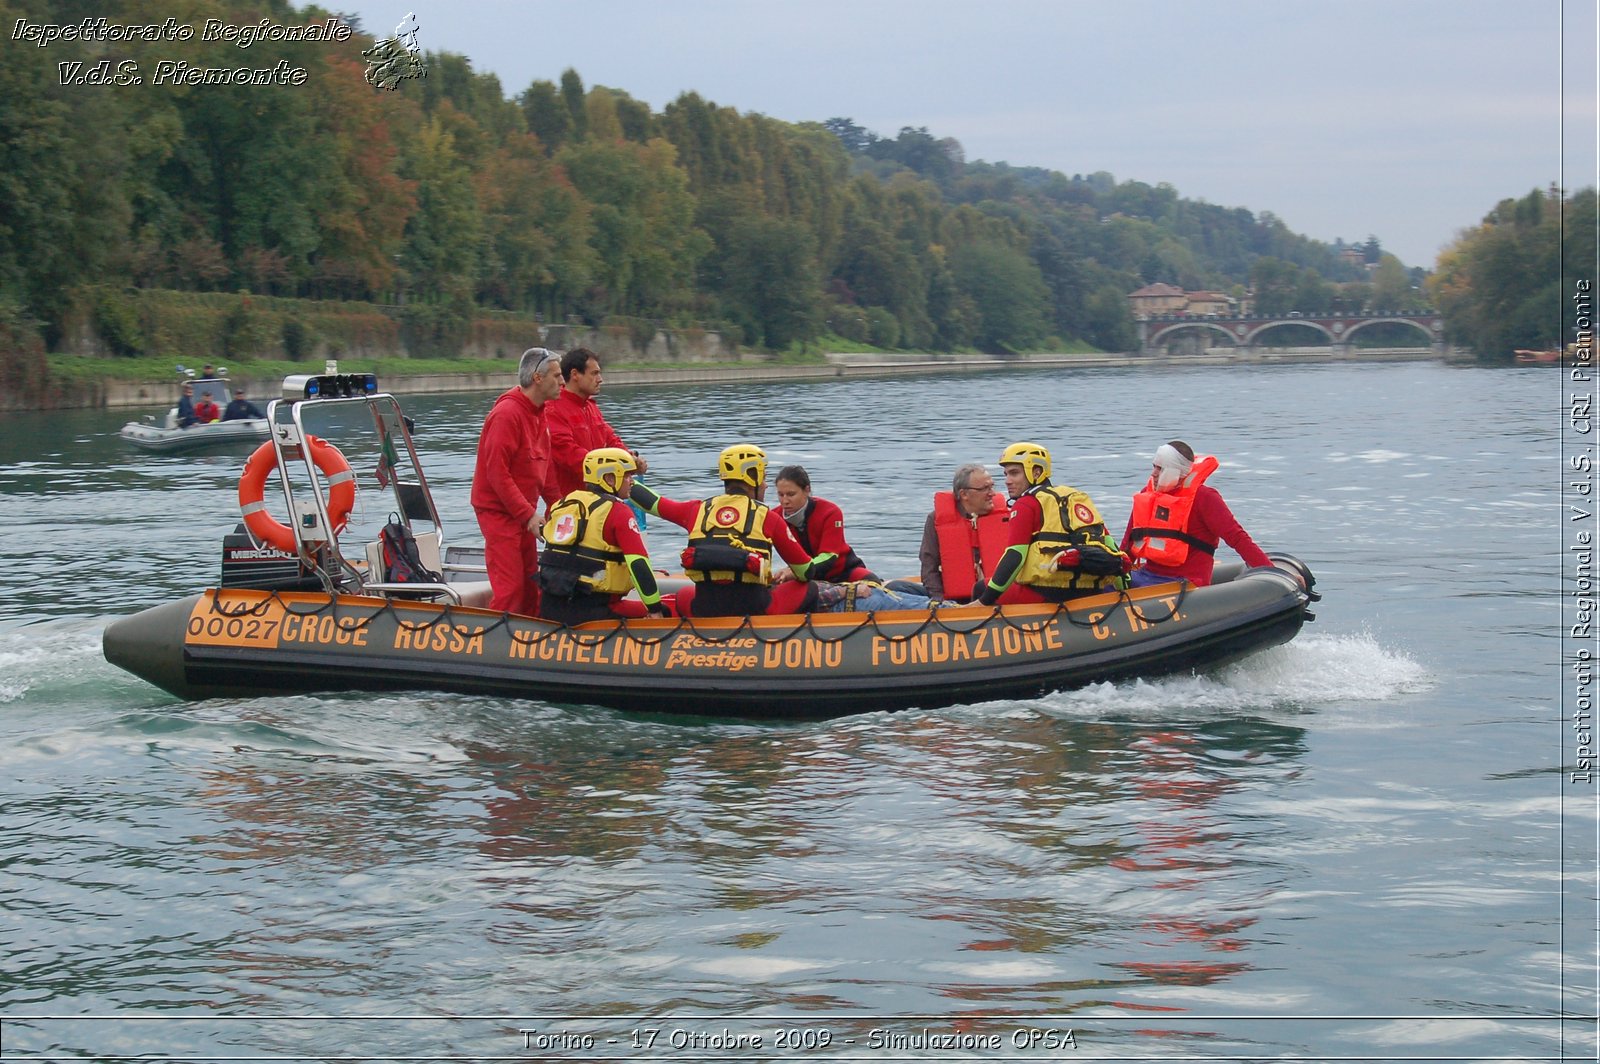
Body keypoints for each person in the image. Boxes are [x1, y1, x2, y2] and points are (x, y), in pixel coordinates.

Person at [630, 443, 834, 618]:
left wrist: (626, 478)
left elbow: (653, 503)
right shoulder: (767, 517)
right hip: (755, 609)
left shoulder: (696, 510)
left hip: (704, 609)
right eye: (762, 478)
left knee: (684, 594)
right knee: (808, 588)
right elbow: (805, 571)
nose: (764, 485)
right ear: (753, 478)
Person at [974, 442, 1129, 606]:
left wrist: (984, 601)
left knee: (980, 588)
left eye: (1014, 473)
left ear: (1036, 472)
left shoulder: (1026, 504)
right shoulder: (1076, 498)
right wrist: (1124, 591)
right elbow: (1110, 547)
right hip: (1090, 591)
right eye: (1006, 474)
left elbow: (1015, 557)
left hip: (1047, 594)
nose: (1007, 481)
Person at [470, 347, 565, 616]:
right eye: (557, 375)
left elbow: (544, 473)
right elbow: (497, 474)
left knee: (531, 583)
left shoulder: (540, 412)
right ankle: (497, 644)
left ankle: (530, 638)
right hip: (499, 512)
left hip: (523, 512)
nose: (562, 382)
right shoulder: (507, 415)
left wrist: (562, 507)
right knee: (511, 587)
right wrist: (528, 515)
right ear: (538, 378)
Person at [538, 448, 669, 625]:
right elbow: (639, 564)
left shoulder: (562, 504)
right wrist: (654, 609)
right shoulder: (619, 512)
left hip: (550, 606)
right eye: (627, 476)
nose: (632, 482)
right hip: (594, 609)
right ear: (609, 479)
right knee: (669, 610)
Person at [1120, 440, 1272, 587]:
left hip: (1186, 583)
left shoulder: (1205, 498)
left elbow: (1238, 538)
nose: (1153, 473)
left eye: (1160, 468)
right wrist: (1112, 574)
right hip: (1147, 575)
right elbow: (1129, 543)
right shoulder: (1147, 495)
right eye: (1154, 467)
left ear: (1177, 470)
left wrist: (1272, 572)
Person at [546, 347, 648, 499]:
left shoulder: (590, 407)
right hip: (571, 507)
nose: (600, 379)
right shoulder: (553, 409)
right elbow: (570, 455)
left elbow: (611, 439)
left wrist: (630, 458)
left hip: (600, 503)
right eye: (594, 373)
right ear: (575, 375)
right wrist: (625, 464)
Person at [918, 462, 1011, 602]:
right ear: (964, 494)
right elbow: (928, 566)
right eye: (985, 488)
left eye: (992, 487)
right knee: (898, 587)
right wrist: (940, 602)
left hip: (995, 595)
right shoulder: (936, 520)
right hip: (952, 598)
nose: (992, 493)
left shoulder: (1007, 517)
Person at [773, 465, 877, 582]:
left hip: (844, 571)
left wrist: (796, 571)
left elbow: (829, 557)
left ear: (807, 490)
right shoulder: (773, 517)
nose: (785, 501)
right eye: (780, 495)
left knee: (873, 582)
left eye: (791, 494)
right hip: (803, 577)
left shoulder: (830, 512)